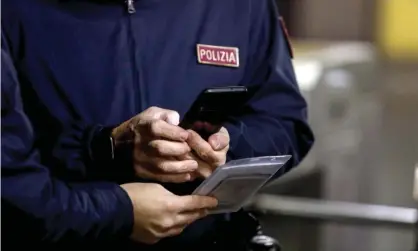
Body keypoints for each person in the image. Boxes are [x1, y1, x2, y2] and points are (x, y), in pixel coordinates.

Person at [1, 0, 314, 249]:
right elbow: (12, 176)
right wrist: (109, 149)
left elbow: (285, 124)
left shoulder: (241, 6)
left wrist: (224, 147)